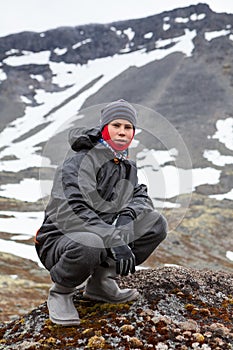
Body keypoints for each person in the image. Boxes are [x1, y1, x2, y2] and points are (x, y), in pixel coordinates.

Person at [35, 99, 168, 326]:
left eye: (128, 128)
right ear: (104, 128)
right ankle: (61, 292)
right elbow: (73, 211)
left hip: (101, 234)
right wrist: (113, 237)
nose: (122, 132)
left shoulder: (126, 164)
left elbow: (141, 197)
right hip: (61, 240)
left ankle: (101, 282)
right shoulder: (79, 161)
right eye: (116, 125)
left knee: (156, 223)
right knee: (89, 242)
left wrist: (127, 218)